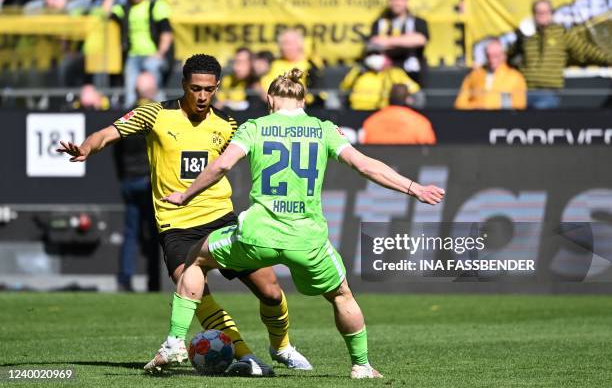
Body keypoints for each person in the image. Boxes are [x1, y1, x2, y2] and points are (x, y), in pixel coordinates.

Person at [156, 68, 445, 378]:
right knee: (342, 295)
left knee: (195, 259)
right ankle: (361, 365)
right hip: (307, 241)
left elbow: (222, 165)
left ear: (269, 99)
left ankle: (174, 342)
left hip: (258, 236)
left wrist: (187, 194)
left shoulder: (254, 127)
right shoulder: (324, 129)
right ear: (303, 101)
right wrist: (414, 188)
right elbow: (365, 166)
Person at [56, 54, 311, 375]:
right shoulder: (154, 113)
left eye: (209, 89)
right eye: (195, 88)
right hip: (177, 227)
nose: (202, 96)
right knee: (195, 293)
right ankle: (245, 355)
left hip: (222, 219)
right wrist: (85, 148)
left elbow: (266, 146)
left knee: (271, 290)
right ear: (183, 86)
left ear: (217, 87)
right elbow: (107, 133)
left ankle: (282, 346)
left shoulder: (228, 124)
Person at [508, 0, 612, 109]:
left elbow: (585, 51)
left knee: (539, 120)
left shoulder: (561, 33)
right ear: (533, 14)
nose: (542, 15)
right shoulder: (525, 35)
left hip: (548, 93)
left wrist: (609, 59)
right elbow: (510, 56)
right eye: (539, 12)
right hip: (524, 91)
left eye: (545, 12)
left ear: (551, 13)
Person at [113, 72, 160, 292]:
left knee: (130, 232)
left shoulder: (125, 115)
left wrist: (123, 177)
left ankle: (125, 278)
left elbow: (116, 150)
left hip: (128, 181)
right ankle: (154, 279)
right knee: (154, 232)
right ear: (152, 90)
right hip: (148, 182)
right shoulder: (157, 115)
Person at [108, 0, 174, 108]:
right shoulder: (125, 5)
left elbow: (166, 31)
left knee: (153, 87)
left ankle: (163, 112)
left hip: (152, 55)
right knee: (130, 94)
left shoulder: (156, 4)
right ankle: (130, 120)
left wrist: (160, 53)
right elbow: (106, 13)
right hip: (133, 56)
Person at [368, 0, 429, 86]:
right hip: (385, 76)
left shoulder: (417, 22)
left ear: (407, 0)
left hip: (411, 78)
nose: (397, 2)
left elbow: (420, 39)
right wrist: (405, 41)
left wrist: (388, 41)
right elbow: (375, 42)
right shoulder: (380, 22)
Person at [340, 45, 421, 111]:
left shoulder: (394, 73)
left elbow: (415, 92)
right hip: (356, 113)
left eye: (377, 54)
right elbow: (342, 92)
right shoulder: (357, 72)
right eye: (370, 55)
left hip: (384, 114)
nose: (374, 57)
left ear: (384, 56)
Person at [455, 39, 526, 110]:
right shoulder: (474, 75)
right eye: (489, 55)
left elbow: (519, 106)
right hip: (476, 118)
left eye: (496, 55)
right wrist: (475, 107)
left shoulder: (515, 77)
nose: (492, 59)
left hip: (502, 119)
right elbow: (460, 103)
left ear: (504, 56)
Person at [259, 29, 322, 104]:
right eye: (285, 43)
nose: (288, 47)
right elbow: (263, 88)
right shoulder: (273, 64)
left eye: (291, 43)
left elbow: (315, 95)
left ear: (300, 45)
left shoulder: (310, 66)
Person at [362, 84, 436, 144]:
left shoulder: (371, 121)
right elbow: (429, 148)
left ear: (389, 99)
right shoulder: (420, 122)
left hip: (378, 160)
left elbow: (363, 146)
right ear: (408, 100)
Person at [215, 47, 259, 111]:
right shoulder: (228, 80)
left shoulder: (260, 82)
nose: (236, 67)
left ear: (251, 63)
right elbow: (218, 105)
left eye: (241, 62)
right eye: (235, 62)